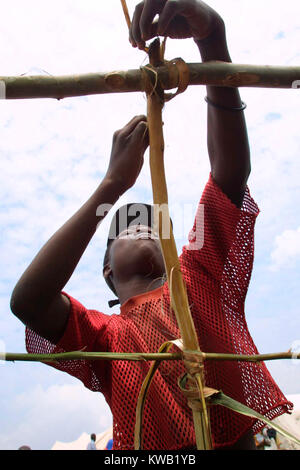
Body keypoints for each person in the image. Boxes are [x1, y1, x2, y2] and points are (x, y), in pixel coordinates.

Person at [11, 0, 292, 451]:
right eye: (125, 225)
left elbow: (229, 174)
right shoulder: (104, 338)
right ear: (108, 271)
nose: (143, 224)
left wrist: (212, 35)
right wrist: (112, 184)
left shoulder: (199, 275)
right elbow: (28, 301)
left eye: (152, 222)